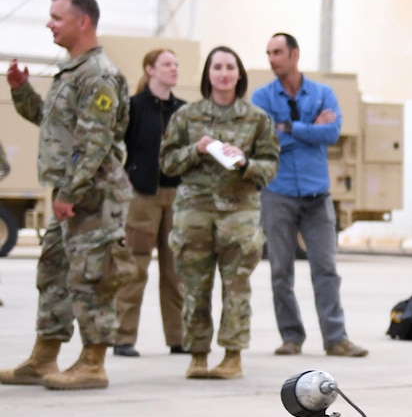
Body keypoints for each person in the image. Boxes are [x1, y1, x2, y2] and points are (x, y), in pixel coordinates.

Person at [0, 0, 135, 390]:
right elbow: (51, 124)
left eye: (57, 17)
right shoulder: (72, 71)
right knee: (54, 273)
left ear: (83, 22)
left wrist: (69, 194)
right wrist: (22, 90)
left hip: (93, 197)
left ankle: (93, 363)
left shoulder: (98, 74)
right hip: (72, 192)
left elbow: (92, 144)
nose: (49, 23)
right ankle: (44, 358)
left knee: (93, 278)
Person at [160, 47, 280, 380]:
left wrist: (246, 163)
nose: (224, 73)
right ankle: (197, 354)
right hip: (194, 215)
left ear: (239, 74)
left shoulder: (257, 119)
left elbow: (270, 167)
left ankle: (232, 356)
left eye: (230, 67)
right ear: (208, 74)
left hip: (238, 215)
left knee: (236, 287)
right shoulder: (187, 116)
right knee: (194, 287)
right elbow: (167, 162)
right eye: (217, 67)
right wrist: (195, 150)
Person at [251, 32, 365, 357]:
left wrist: (289, 128)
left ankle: (336, 338)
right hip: (278, 193)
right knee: (280, 271)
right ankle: (291, 337)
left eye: (277, 52)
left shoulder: (322, 93)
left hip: (317, 195)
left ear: (294, 54)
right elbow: (265, 142)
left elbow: (331, 133)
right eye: (268, 53)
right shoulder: (261, 98)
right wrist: (307, 129)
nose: (272, 59)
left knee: (326, 268)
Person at [113, 48, 188, 357]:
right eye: (167, 64)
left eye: (176, 64)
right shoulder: (133, 106)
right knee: (134, 267)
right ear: (151, 69)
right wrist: (123, 178)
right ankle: (123, 337)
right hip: (142, 197)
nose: (174, 69)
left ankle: (178, 338)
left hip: (177, 197)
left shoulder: (184, 110)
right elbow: (114, 144)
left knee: (176, 271)